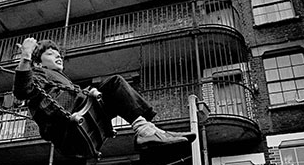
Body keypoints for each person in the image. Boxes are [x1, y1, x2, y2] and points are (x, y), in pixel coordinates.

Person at [13, 38, 196, 156]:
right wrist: (26, 55)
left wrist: (87, 92)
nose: (58, 57)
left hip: (83, 114)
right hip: (65, 127)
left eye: (59, 54)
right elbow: (22, 90)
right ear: (39, 61)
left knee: (117, 89)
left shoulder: (61, 78)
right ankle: (148, 131)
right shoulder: (38, 72)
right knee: (114, 83)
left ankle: (148, 131)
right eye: (51, 54)